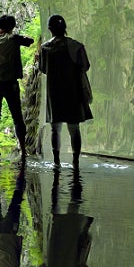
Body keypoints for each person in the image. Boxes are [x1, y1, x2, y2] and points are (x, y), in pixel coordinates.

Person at [37, 15, 92, 169]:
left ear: (50, 29)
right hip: (73, 91)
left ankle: (56, 161)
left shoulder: (45, 49)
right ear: (65, 28)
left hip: (54, 92)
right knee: (74, 128)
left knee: (56, 128)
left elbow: (43, 68)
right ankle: (75, 161)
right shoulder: (76, 46)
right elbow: (85, 66)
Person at [39, 170, 93, 267]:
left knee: (73, 208)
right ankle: (57, 179)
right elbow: (42, 265)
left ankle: (76, 179)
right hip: (56, 242)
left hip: (73, 246)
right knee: (54, 209)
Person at [0, 13, 35, 157]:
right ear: (11, 27)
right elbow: (30, 41)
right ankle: (24, 150)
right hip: (10, 83)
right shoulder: (13, 39)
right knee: (17, 117)